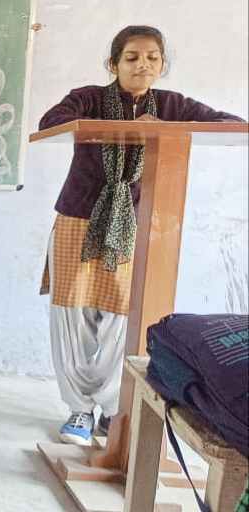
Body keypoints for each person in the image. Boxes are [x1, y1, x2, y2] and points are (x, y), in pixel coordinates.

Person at [39, 25, 244, 446]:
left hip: (133, 226)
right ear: (113, 63)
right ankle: (78, 408)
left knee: (123, 319)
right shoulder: (88, 98)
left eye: (152, 58)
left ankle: (111, 407)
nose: (142, 65)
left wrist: (161, 128)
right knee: (72, 316)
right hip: (78, 218)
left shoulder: (171, 105)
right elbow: (52, 122)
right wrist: (123, 126)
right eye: (131, 57)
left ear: (162, 65)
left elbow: (232, 124)